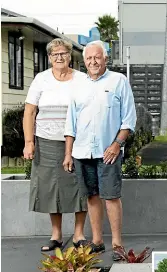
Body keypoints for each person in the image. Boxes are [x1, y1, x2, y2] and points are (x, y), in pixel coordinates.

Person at [63, 40, 137, 260]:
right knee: (92, 197)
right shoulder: (77, 85)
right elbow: (70, 124)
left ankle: (116, 244)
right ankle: (96, 241)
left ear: (105, 59)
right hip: (82, 152)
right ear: (84, 61)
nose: (93, 61)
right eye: (89, 58)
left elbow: (129, 119)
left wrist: (116, 145)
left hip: (108, 153)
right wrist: (68, 153)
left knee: (111, 196)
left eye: (97, 57)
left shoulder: (119, 81)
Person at [23, 38, 89, 251]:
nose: (59, 57)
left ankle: (79, 234)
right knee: (52, 188)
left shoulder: (81, 79)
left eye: (63, 53)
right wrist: (29, 142)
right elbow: (30, 112)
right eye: (55, 54)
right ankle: (56, 235)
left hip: (78, 141)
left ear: (70, 56)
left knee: (80, 186)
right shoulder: (41, 79)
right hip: (46, 142)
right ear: (50, 58)